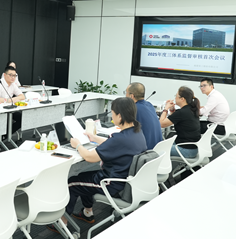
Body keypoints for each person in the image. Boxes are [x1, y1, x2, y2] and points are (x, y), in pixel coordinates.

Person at [57, 97, 147, 228]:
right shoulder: (136, 132)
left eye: (113, 113)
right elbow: (115, 145)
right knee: (83, 177)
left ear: (120, 116)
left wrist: (77, 145)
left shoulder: (119, 139)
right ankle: (87, 212)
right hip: (126, 179)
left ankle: (62, 223)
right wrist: (94, 138)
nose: (112, 116)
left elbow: (89, 157)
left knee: (72, 183)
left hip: (111, 182)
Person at [159, 86, 201, 158]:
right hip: (192, 148)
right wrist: (172, 109)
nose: (175, 98)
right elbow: (174, 119)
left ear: (182, 99)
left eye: (176, 96)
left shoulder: (182, 112)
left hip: (186, 150)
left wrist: (166, 108)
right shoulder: (191, 109)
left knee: (157, 149)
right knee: (164, 144)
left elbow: (161, 124)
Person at [126, 82, 162, 150]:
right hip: (157, 149)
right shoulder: (149, 105)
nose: (125, 95)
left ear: (132, 96)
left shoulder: (134, 109)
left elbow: (126, 131)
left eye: (126, 93)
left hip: (145, 151)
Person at [0, 65, 26, 136]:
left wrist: (11, 100)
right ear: (4, 75)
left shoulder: (13, 84)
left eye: (14, 75)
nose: (13, 77)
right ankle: (2, 136)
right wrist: (12, 100)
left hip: (9, 109)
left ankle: (6, 136)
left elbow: (22, 96)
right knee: (7, 120)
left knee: (22, 118)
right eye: (10, 75)